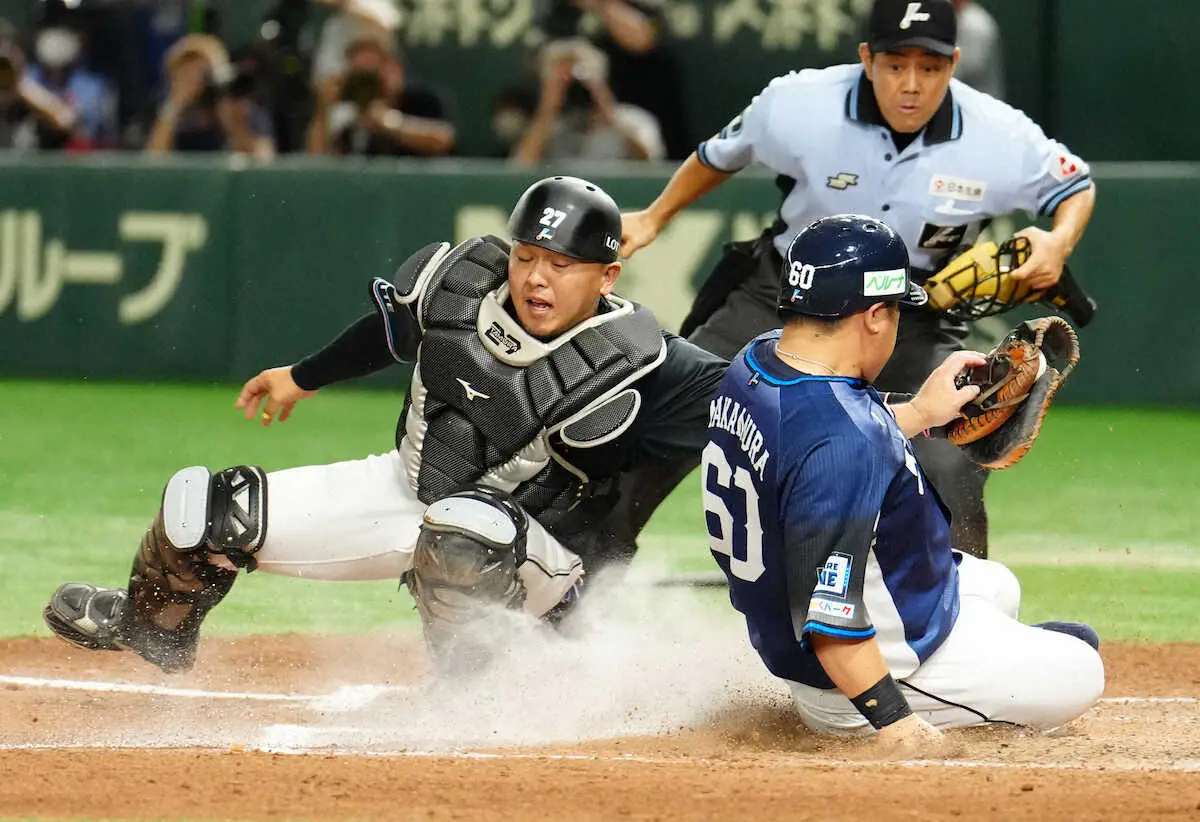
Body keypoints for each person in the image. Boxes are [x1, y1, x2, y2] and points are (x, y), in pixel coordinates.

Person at [42, 175, 728, 675]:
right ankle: (150, 632)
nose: (535, 279)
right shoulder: (457, 284)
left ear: (606, 276)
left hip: (537, 557)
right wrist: (301, 377)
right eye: (526, 257)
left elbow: (755, 409)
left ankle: (485, 691)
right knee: (203, 513)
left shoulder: (650, 363)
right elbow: (388, 332)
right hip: (405, 491)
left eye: (560, 266)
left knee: (465, 534)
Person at [620, 0, 1096, 559]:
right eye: (896, 65)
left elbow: (1074, 185)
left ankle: (965, 613)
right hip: (785, 295)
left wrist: (1057, 242)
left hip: (911, 315)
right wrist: (654, 216)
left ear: (954, 63)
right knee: (670, 415)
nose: (912, 84)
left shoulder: (999, 135)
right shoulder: (799, 104)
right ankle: (580, 573)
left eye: (931, 67)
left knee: (948, 459)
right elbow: (719, 154)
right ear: (867, 59)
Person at [704, 214, 1103, 745]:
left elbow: (814, 446)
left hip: (803, 617)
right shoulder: (844, 443)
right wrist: (893, 722)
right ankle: (939, 691)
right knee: (1082, 663)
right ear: (873, 316)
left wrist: (918, 412)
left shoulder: (759, 359)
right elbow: (829, 618)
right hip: (865, 677)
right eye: (895, 311)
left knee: (996, 583)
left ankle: (990, 651)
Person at [510, 38, 665, 165]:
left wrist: (605, 107)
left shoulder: (634, 120)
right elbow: (520, 167)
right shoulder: (550, 128)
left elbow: (649, 161)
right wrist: (549, 108)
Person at [306, 36, 455, 157]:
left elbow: (443, 139)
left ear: (394, 69)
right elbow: (318, 158)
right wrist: (323, 109)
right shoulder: (351, 122)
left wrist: (389, 123)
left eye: (372, 70)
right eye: (358, 73)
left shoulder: (420, 101)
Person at [145, 33, 276, 159]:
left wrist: (234, 122)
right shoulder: (163, 114)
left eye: (202, 73)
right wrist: (174, 106)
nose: (196, 80)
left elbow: (263, 161)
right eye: (186, 73)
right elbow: (152, 162)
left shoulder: (244, 110)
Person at [951, 0, 1004, 100]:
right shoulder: (949, 17)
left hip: (981, 103)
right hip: (959, 101)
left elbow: (972, 68)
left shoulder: (977, 25)